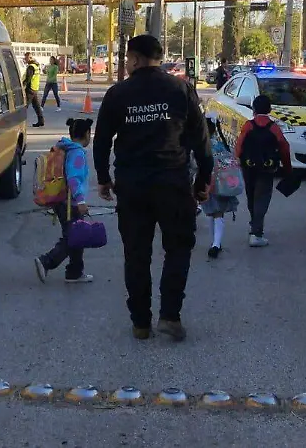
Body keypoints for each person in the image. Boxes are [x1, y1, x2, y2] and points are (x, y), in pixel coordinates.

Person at [94, 34, 212, 342]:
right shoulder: (181, 89)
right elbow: (201, 140)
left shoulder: (118, 93)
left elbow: (102, 139)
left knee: (136, 254)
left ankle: (140, 323)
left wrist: (103, 178)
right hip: (173, 182)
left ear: (134, 59)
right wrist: (203, 181)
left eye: (127, 59)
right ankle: (170, 316)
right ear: (159, 58)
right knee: (178, 249)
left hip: (132, 185)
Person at [34, 117, 94, 284]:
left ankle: (74, 272)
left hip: (62, 201)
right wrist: (80, 201)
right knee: (73, 237)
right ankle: (47, 261)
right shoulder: (77, 153)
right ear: (87, 133)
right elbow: (73, 179)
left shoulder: (66, 148)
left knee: (76, 236)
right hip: (71, 204)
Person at [235, 94, 293, 247]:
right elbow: (284, 147)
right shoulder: (274, 127)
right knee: (261, 198)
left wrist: (237, 163)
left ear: (253, 109)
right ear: (269, 109)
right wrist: (287, 169)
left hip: (249, 168)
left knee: (251, 197)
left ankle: (254, 224)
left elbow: (239, 146)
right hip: (267, 169)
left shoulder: (248, 125)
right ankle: (256, 233)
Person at [200, 115, 239, 258]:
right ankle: (216, 243)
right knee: (218, 214)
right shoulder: (221, 144)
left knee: (211, 212)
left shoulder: (200, 146)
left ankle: (214, 242)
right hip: (222, 184)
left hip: (206, 184)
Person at [23, 53, 45, 128]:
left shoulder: (31, 67)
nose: (25, 59)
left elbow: (28, 78)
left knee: (24, 106)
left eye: (26, 58)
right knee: (36, 106)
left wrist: (23, 85)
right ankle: (41, 121)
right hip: (35, 88)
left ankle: (20, 123)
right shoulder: (36, 66)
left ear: (29, 58)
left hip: (30, 88)